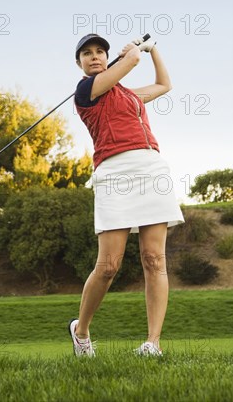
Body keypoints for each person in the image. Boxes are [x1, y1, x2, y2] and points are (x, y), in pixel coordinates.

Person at [68, 33, 184, 357]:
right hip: (114, 173)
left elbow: (164, 85)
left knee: (154, 259)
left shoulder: (129, 95)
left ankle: (152, 343)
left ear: (107, 58)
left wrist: (153, 49)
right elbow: (131, 61)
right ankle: (81, 331)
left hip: (151, 168)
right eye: (87, 53)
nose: (95, 56)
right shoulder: (85, 92)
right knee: (108, 265)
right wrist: (135, 52)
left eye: (100, 52)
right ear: (79, 63)